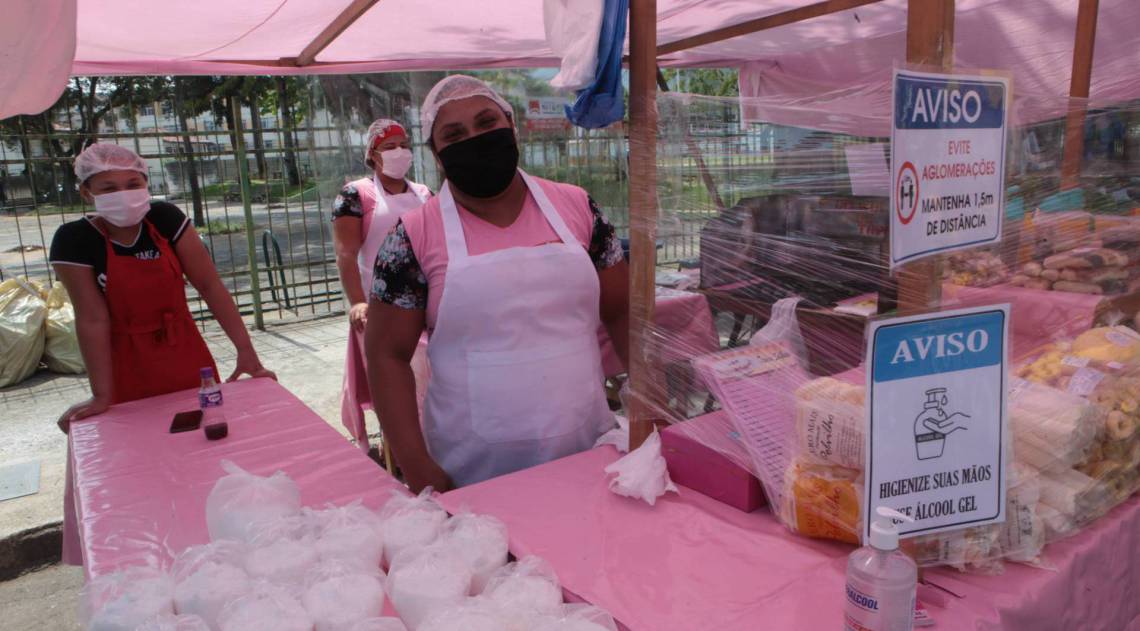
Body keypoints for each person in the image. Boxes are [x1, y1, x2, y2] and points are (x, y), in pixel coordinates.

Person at [365, 75, 629, 492]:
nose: (476, 139)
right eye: (454, 134)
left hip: (590, 452)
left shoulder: (578, 207)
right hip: (472, 471)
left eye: (487, 123)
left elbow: (622, 312)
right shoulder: (412, 236)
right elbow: (386, 355)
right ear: (437, 154)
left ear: (511, 126)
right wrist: (417, 467)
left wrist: (650, 405)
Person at [50, 143, 276, 430]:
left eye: (132, 184)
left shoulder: (165, 219)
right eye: (109, 188)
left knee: (203, 430)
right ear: (87, 192)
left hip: (183, 350)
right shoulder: (74, 239)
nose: (123, 194)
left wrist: (247, 353)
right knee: (138, 440)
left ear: (146, 183)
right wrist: (101, 394)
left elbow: (209, 286)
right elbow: (92, 319)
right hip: (123, 360)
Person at [332, 119, 433, 450]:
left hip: (426, 306)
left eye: (404, 145)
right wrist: (358, 302)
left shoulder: (423, 194)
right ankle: (406, 454)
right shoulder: (355, 195)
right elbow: (346, 254)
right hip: (382, 310)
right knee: (397, 386)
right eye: (390, 147)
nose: (399, 152)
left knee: (433, 384)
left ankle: (436, 445)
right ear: (373, 154)